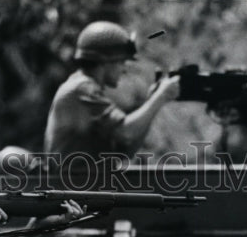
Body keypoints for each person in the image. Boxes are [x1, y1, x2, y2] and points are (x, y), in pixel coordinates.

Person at [44, 21, 181, 159]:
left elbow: (125, 151)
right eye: (121, 62)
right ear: (105, 61)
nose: (124, 69)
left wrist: (152, 100)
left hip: (85, 178)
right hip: (73, 179)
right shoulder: (82, 89)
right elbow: (125, 133)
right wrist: (161, 96)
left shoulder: (85, 88)